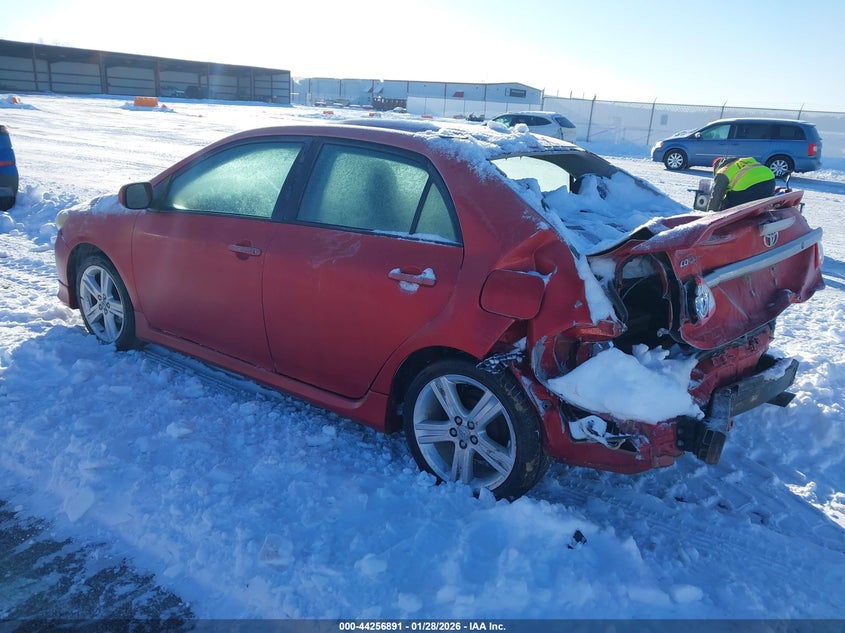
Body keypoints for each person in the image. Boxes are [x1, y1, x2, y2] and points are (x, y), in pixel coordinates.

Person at [707, 156, 776, 211]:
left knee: (727, 204)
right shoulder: (743, 161)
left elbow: (716, 197)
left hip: (748, 187)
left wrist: (709, 214)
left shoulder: (722, 172)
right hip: (769, 179)